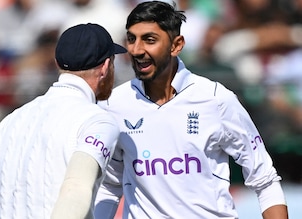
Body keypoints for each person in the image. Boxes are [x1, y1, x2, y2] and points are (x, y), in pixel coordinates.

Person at [94, 1, 288, 219]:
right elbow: (109, 186)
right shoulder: (113, 105)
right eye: (131, 39)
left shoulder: (216, 99)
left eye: (149, 40)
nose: (136, 50)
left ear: (176, 45)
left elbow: (265, 180)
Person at [0, 23, 127, 219]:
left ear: (57, 63)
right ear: (105, 66)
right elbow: (76, 191)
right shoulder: (98, 122)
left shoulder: (7, 124)